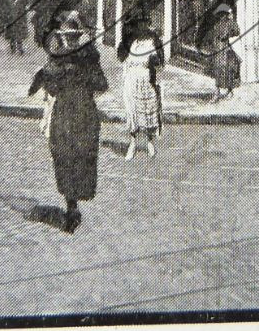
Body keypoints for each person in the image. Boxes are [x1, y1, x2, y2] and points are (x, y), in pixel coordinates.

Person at [27, 12, 108, 233]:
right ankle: (73, 207)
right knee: (73, 156)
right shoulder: (78, 58)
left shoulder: (65, 59)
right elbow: (102, 85)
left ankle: (72, 205)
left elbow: (52, 87)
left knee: (69, 156)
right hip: (81, 113)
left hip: (70, 113)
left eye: (68, 36)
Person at [116, 12, 165, 159]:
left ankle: (149, 141)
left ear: (147, 24)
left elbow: (161, 62)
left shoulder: (154, 39)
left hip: (147, 78)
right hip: (131, 78)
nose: (142, 26)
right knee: (132, 111)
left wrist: (155, 60)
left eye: (144, 22)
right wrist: (125, 36)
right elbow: (120, 57)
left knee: (149, 109)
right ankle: (132, 143)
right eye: (139, 23)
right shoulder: (129, 40)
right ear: (135, 25)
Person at [206, 5, 242, 102]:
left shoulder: (229, 23)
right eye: (220, 14)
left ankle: (226, 91)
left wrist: (228, 34)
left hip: (224, 49)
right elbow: (209, 35)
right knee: (218, 70)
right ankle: (218, 92)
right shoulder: (215, 23)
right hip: (216, 48)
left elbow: (237, 31)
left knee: (228, 70)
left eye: (224, 14)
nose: (222, 16)